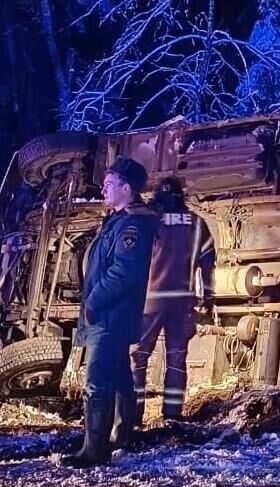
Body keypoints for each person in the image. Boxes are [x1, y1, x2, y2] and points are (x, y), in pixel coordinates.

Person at [61, 157, 159, 468]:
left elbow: (124, 272)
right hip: (110, 314)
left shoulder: (132, 224)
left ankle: (95, 450)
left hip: (111, 316)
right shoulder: (118, 221)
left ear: (127, 188)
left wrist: (93, 302)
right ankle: (121, 435)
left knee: (97, 382)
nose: (103, 187)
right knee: (118, 377)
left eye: (110, 183)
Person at [130, 176, 216, 424]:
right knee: (177, 359)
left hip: (149, 302)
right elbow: (208, 264)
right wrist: (208, 297)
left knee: (138, 358)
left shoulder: (147, 221)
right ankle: (172, 416)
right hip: (182, 303)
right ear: (182, 197)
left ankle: (134, 417)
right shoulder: (197, 224)